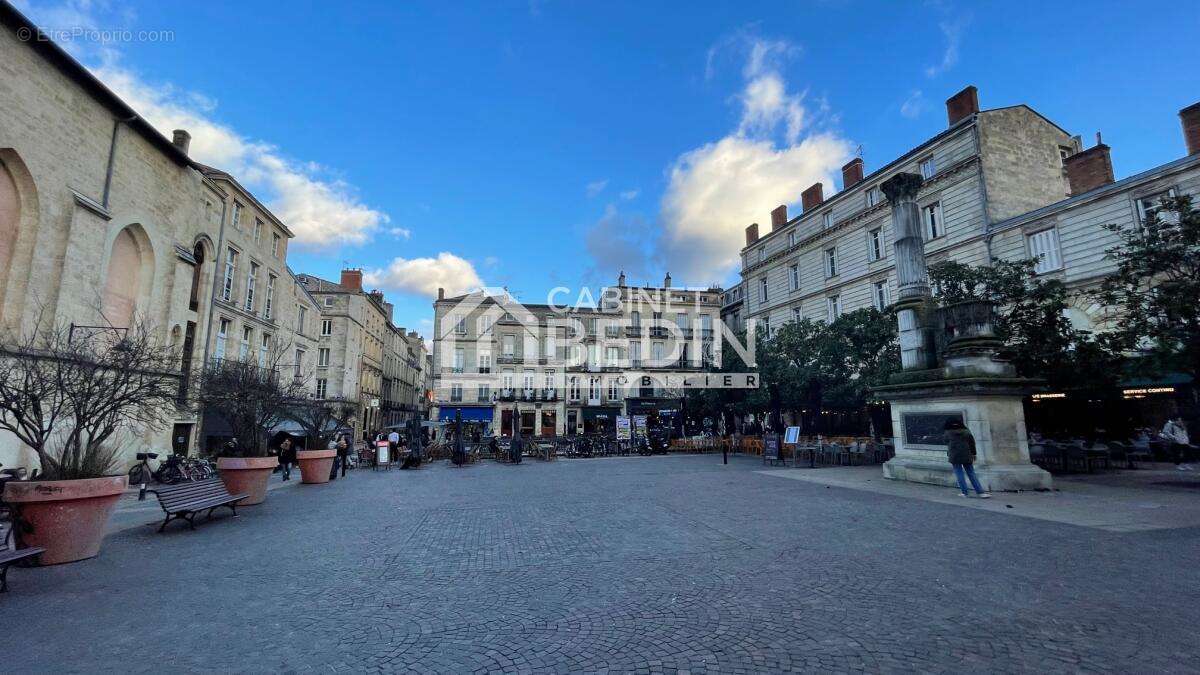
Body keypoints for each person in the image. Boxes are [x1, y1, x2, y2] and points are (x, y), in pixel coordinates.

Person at [945, 419, 991, 498]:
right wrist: (974, 454)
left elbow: (945, 441)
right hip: (967, 454)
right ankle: (980, 492)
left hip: (954, 455)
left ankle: (964, 492)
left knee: (959, 474)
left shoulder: (948, 433)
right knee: (971, 473)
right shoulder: (966, 432)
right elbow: (972, 443)